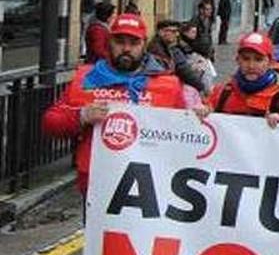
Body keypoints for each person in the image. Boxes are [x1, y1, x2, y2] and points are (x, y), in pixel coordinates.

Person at [42, 14, 196, 194]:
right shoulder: (87, 78)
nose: (126, 48)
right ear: (109, 43)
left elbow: (185, 134)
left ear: (144, 45)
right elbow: (50, 122)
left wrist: (198, 116)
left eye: (134, 43)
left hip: (149, 185)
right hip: (97, 185)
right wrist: (81, 117)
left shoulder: (167, 84)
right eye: (120, 41)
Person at [207, 32, 279, 116]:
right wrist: (203, 111)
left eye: (258, 60)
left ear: (270, 62)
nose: (251, 66)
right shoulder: (222, 94)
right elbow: (202, 111)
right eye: (246, 59)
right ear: (238, 60)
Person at [147, 19, 206, 95]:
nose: (177, 34)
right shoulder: (157, 51)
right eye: (173, 31)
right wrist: (202, 87)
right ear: (161, 32)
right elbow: (184, 70)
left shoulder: (167, 46)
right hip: (165, 90)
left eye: (177, 31)